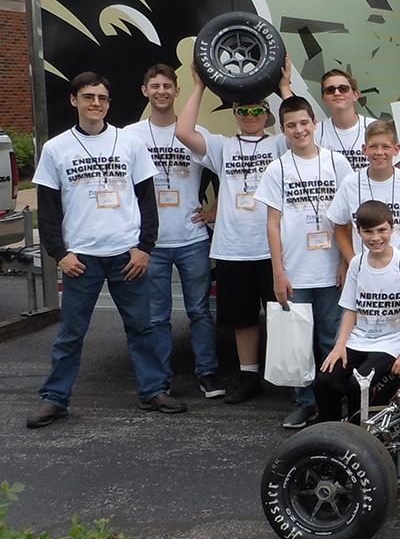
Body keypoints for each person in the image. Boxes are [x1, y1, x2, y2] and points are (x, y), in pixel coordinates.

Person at [27, 71, 184, 428]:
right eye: (88, 97)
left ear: (108, 103)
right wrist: (59, 254)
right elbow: (48, 209)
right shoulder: (56, 149)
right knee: (70, 334)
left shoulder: (129, 143)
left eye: (102, 98)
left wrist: (144, 247)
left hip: (126, 256)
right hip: (81, 258)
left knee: (142, 328)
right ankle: (55, 399)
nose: (95, 103)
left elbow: (148, 201)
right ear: (74, 100)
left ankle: (153, 391)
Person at [177, 65, 285, 404]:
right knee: (242, 319)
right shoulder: (222, 146)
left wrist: (284, 87)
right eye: (243, 110)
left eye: (257, 110)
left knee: (283, 314)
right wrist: (199, 86)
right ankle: (248, 376)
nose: (250, 115)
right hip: (233, 247)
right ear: (235, 113)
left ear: (267, 114)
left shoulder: (281, 144)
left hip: (274, 247)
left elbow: (301, 123)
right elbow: (183, 131)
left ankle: (287, 376)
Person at [123, 64, 223, 399]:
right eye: (155, 86)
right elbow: (121, 186)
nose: (162, 91)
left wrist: (214, 211)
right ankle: (161, 379)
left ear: (177, 91)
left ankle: (207, 374)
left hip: (192, 238)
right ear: (145, 91)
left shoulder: (198, 131)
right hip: (151, 243)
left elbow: (235, 174)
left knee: (199, 312)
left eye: (168, 85)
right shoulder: (130, 136)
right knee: (157, 316)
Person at [255, 96, 354, 428]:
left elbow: (348, 217)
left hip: (330, 268)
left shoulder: (337, 162)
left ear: (315, 123)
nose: (299, 130)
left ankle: (333, 398)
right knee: (297, 342)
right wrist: (278, 272)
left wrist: (344, 260)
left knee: (331, 337)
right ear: (283, 130)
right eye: (291, 125)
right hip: (295, 271)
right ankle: (304, 401)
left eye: (304, 123)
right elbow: (272, 223)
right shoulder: (277, 168)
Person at [315, 200, 400, 422]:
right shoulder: (357, 264)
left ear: (392, 228)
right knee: (325, 381)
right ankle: (330, 434)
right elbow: (350, 308)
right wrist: (339, 346)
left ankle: (360, 437)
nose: (375, 237)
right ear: (358, 232)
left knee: (358, 384)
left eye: (381, 230)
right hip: (359, 339)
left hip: (392, 342)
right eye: (368, 231)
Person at [327, 119, 400, 280]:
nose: (379, 152)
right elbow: (338, 226)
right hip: (364, 274)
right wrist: (352, 260)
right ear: (364, 149)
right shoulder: (350, 183)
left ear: (396, 149)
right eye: (373, 146)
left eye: (386, 147)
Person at [281, 64, 376, 171]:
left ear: (355, 95)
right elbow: (294, 114)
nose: (337, 93)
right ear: (323, 97)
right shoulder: (316, 131)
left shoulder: (374, 128)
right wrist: (284, 87)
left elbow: (395, 166)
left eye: (343, 89)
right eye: (330, 90)